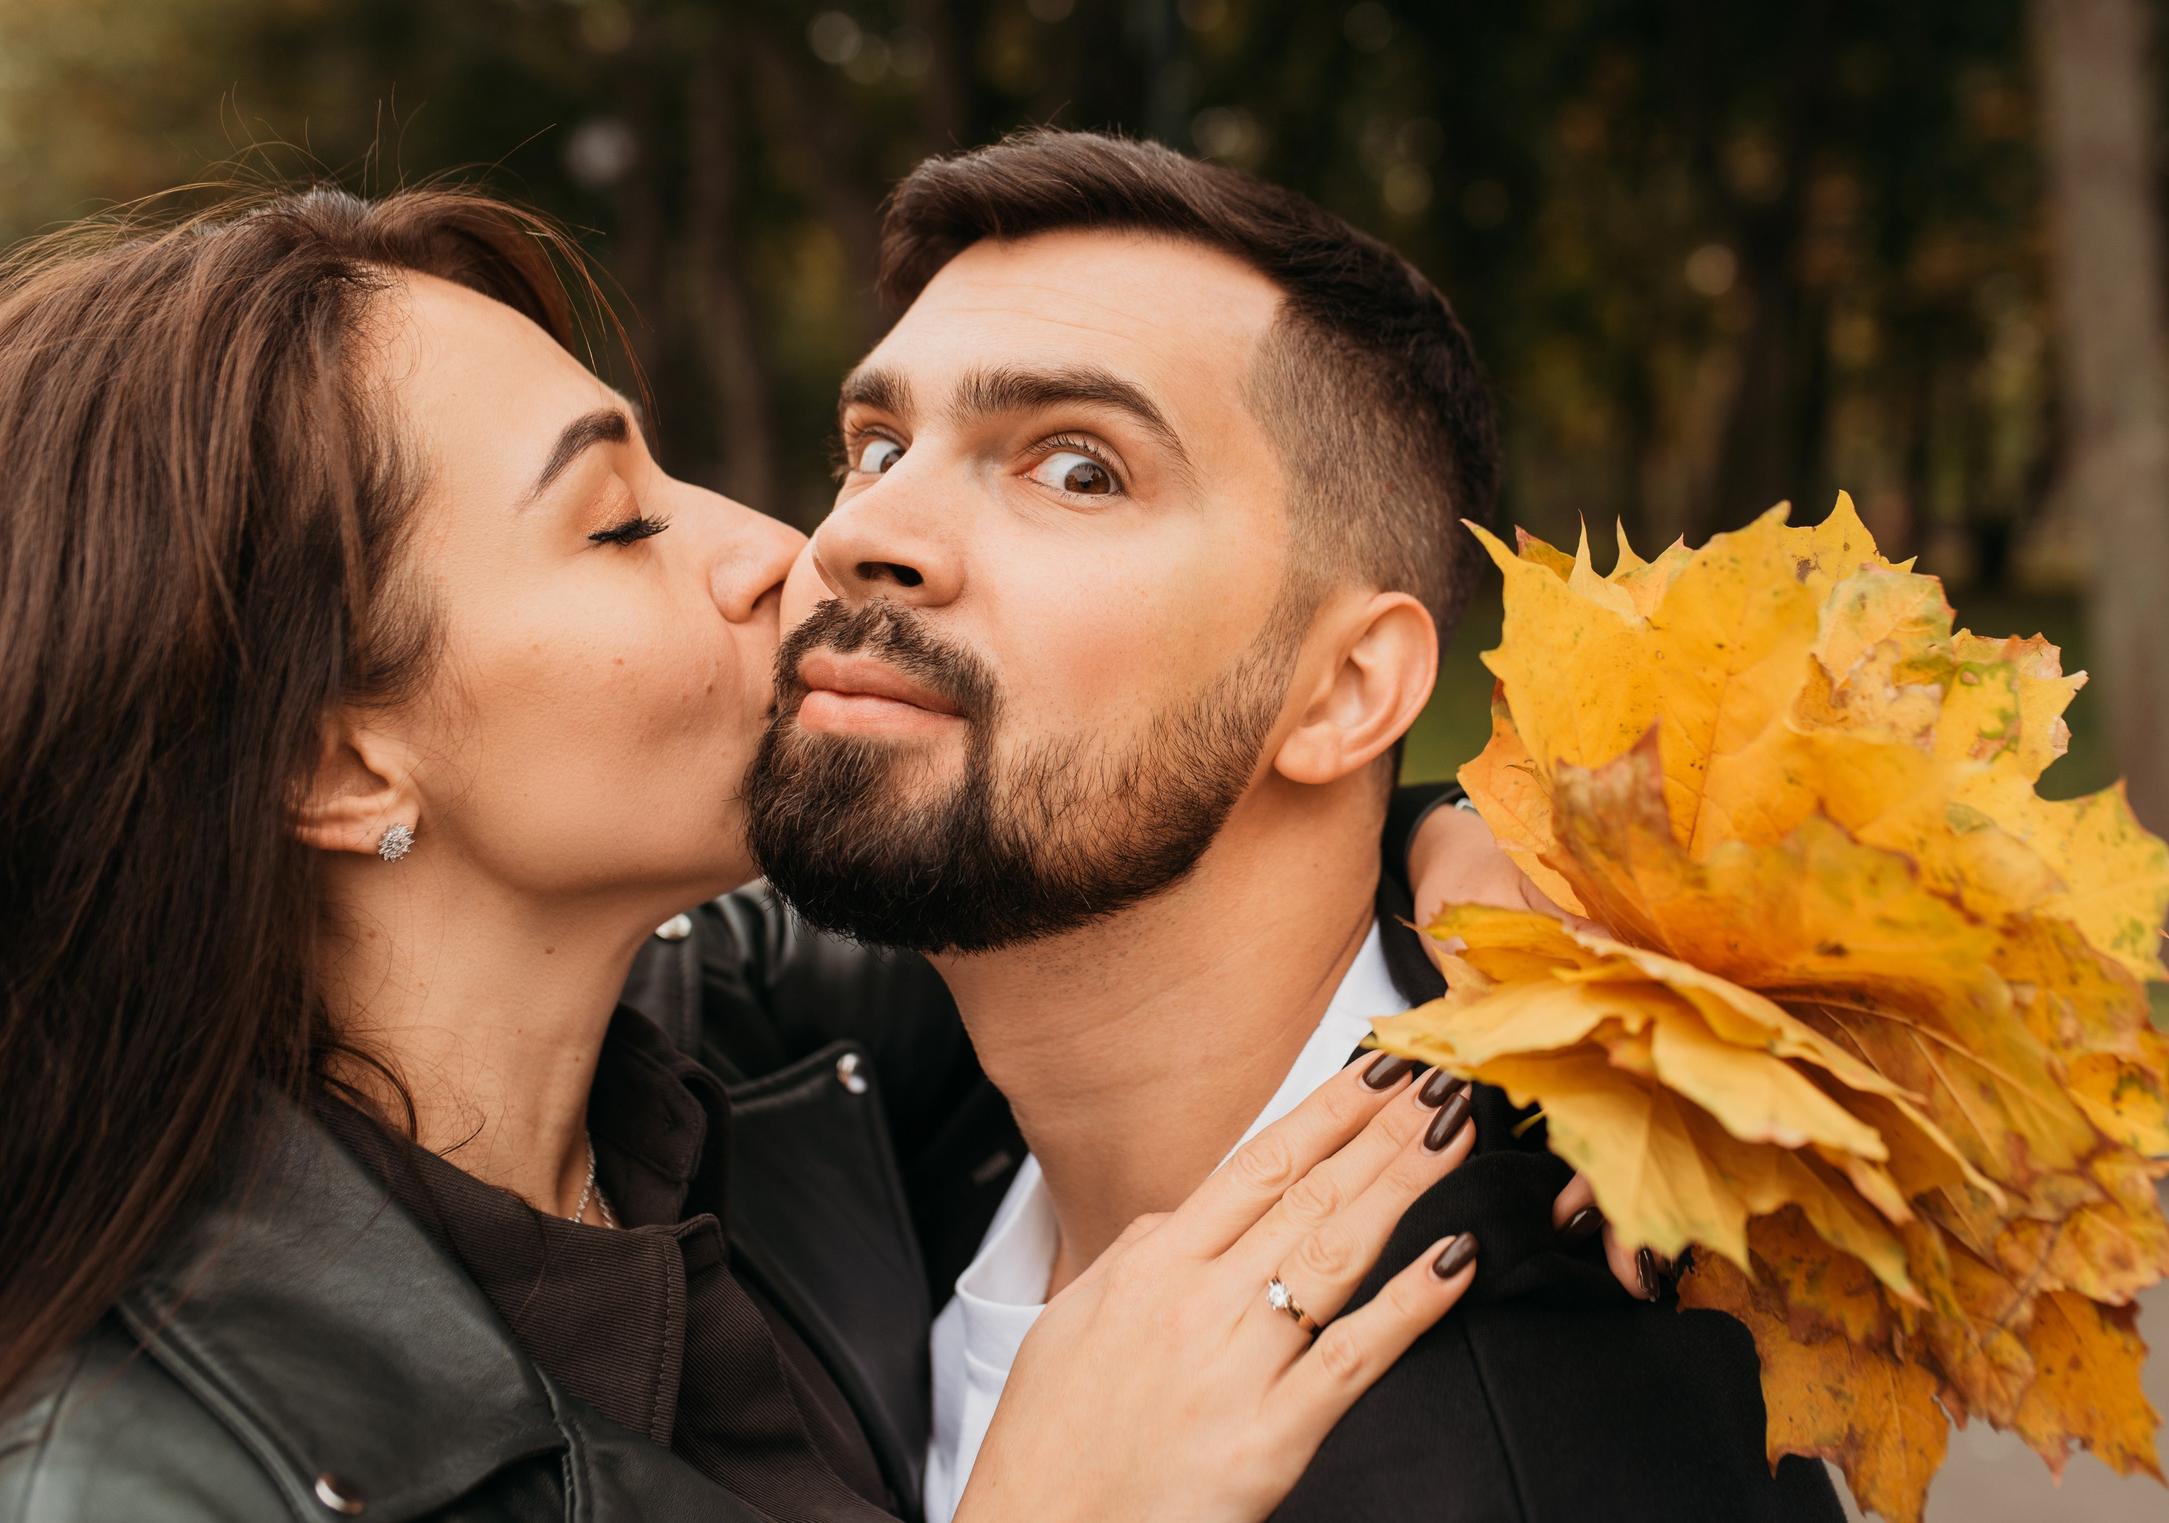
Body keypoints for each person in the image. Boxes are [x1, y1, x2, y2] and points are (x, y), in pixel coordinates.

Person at [0, 186, 1506, 1523]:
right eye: (618, 525)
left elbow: (1143, 863)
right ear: (338, 764)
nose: (798, 548)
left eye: (1076, 469)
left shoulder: (769, 1076)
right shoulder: (137, 1475)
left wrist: (1480, 837)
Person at [742, 132, 1849, 1522]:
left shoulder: (1529, 1455)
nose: (857, 534)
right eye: (877, 447)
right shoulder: (843, 1122)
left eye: (1078, 469)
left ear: (1345, 691)